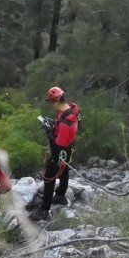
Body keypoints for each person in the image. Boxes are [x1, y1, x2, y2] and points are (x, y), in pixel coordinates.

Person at [29, 86, 80, 221]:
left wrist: (48, 132)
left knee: (49, 176)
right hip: (69, 148)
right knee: (64, 170)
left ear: (56, 102)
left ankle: (44, 210)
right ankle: (61, 195)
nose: (51, 106)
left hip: (61, 150)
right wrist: (52, 123)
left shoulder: (65, 123)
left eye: (51, 103)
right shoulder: (71, 110)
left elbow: (57, 146)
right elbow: (62, 123)